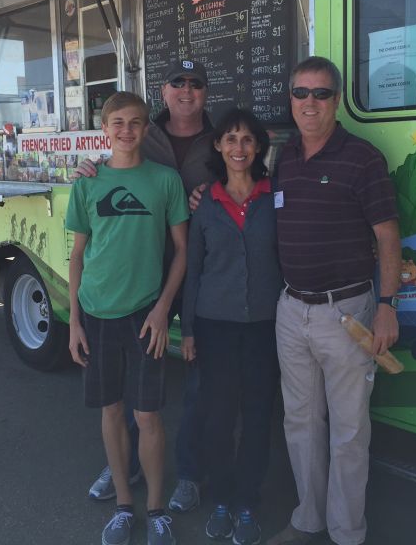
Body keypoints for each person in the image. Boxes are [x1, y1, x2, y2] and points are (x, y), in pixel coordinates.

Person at [267, 56, 401, 545]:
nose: (310, 103)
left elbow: (387, 236)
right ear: (291, 99)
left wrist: (387, 304)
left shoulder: (362, 158)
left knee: (348, 431)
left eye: (321, 94)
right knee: (300, 421)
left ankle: (347, 533)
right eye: (301, 93)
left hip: (347, 313)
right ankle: (309, 519)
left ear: (337, 101)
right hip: (291, 309)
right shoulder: (283, 157)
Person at [82, 59, 216, 513]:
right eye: (177, 83)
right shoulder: (144, 129)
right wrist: (91, 169)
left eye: (195, 84)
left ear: (204, 93)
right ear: (163, 91)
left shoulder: (222, 139)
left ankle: (191, 473)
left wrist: (213, 195)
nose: (186, 91)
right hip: (140, 281)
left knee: (198, 376)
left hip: (198, 274)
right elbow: (118, 166)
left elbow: (248, 180)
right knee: (134, 388)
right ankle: (128, 464)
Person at [66, 91, 189, 545]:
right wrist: (74, 321)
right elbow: (77, 257)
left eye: (135, 122)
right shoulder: (87, 182)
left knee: (149, 416)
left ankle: (157, 510)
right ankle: (123, 505)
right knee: (111, 412)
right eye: (117, 122)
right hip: (96, 315)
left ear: (146, 129)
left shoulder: (165, 180)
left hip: (144, 317)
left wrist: (162, 309)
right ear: (104, 128)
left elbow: (181, 251)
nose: (126, 131)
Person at [181, 108, 282, 545]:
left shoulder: (275, 196)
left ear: (258, 147)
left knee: (259, 417)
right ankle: (220, 497)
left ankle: (246, 501)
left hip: (265, 326)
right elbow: (194, 269)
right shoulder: (206, 203)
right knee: (218, 418)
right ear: (218, 146)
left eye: (247, 140)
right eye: (230, 139)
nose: (238, 148)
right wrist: (186, 331)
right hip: (214, 326)